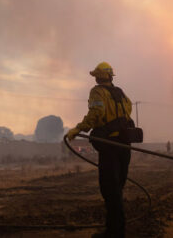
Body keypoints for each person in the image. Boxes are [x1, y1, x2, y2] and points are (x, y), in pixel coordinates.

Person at [67, 62, 133, 238]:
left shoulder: (97, 92)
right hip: (124, 146)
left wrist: (78, 129)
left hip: (110, 146)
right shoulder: (121, 93)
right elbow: (128, 111)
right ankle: (116, 229)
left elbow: (95, 113)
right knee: (117, 189)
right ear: (111, 76)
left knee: (110, 191)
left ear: (99, 77)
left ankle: (115, 233)